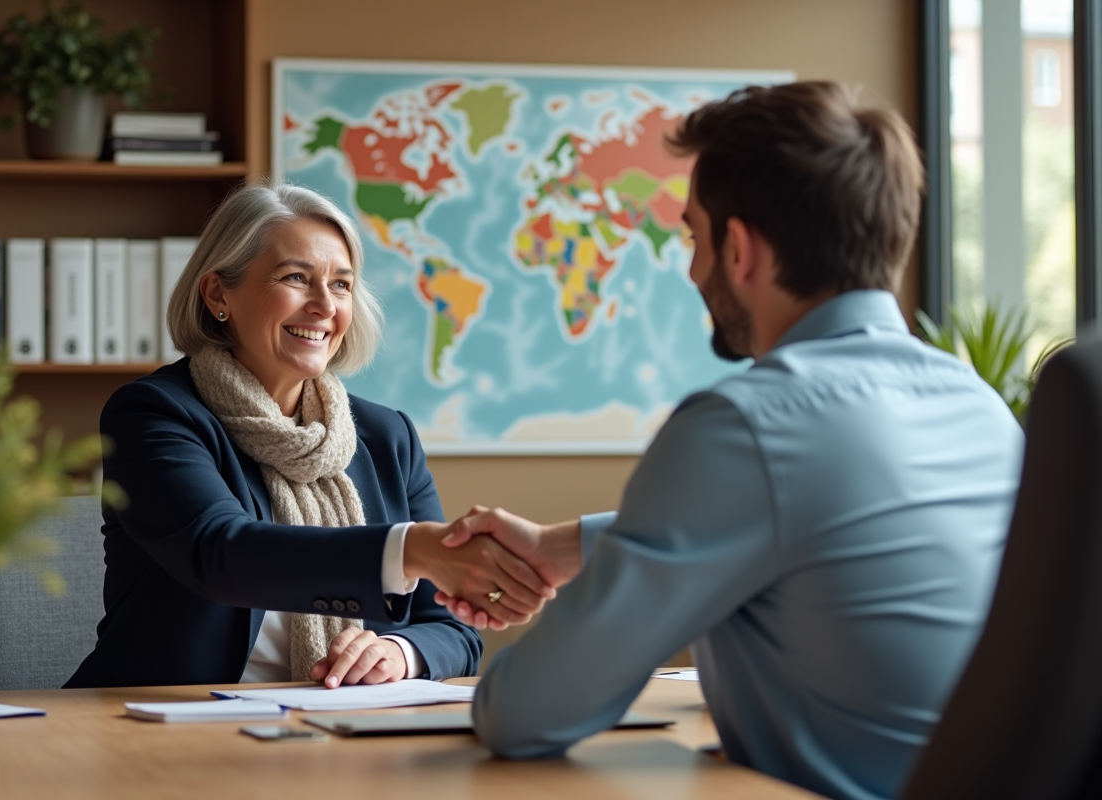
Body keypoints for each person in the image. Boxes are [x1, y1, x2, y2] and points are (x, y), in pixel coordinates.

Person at [436, 82, 1025, 800]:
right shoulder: (984, 410)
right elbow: (825, 529)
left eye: (693, 235)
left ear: (739, 247)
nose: (691, 267)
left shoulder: (747, 424)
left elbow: (522, 716)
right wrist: (564, 546)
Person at [66, 181, 552, 690]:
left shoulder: (388, 437)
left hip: (339, 731)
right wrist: (411, 550)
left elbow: (454, 628)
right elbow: (221, 553)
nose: (325, 305)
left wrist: (399, 652)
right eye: (297, 277)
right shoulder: (153, 414)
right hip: (165, 731)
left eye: (341, 284)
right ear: (217, 294)